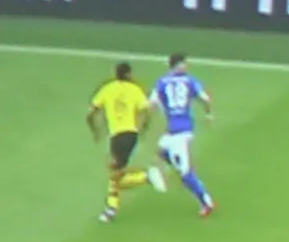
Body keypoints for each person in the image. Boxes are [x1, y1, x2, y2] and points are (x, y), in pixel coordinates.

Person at [148, 52, 221, 216]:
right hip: (181, 130)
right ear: (179, 64)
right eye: (185, 63)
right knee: (161, 150)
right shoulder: (190, 80)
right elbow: (205, 99)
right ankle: (179, 165)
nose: (187, 66)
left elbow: (151, 104)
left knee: (186, 175)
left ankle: (206, 202)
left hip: (178, 133)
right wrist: (209, 114)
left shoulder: (161, 82)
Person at [86, 57, 151, 220]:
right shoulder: (135, 89)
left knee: (115, 174)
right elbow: (146, 111)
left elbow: (90, 114)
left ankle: (145, 178)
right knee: (115, 173)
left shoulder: (107, 89)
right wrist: (142, 129)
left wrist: (95, 131)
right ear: (129, 74)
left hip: (117, 135)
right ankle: (111, 208)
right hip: (130, 134)